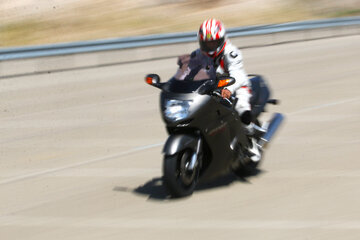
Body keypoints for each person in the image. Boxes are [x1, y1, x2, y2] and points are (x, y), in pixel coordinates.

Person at [196, 18, 261, 162]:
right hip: (213, 88)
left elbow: (238, 75)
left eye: (213, 42)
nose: (210, 46)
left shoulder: (231, 52)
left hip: (237, 86)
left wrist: (229, 88)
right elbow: (187, 73)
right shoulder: (198, 55)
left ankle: (251, 142)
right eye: (207, 43)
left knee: (241, 108)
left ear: (221, 39)